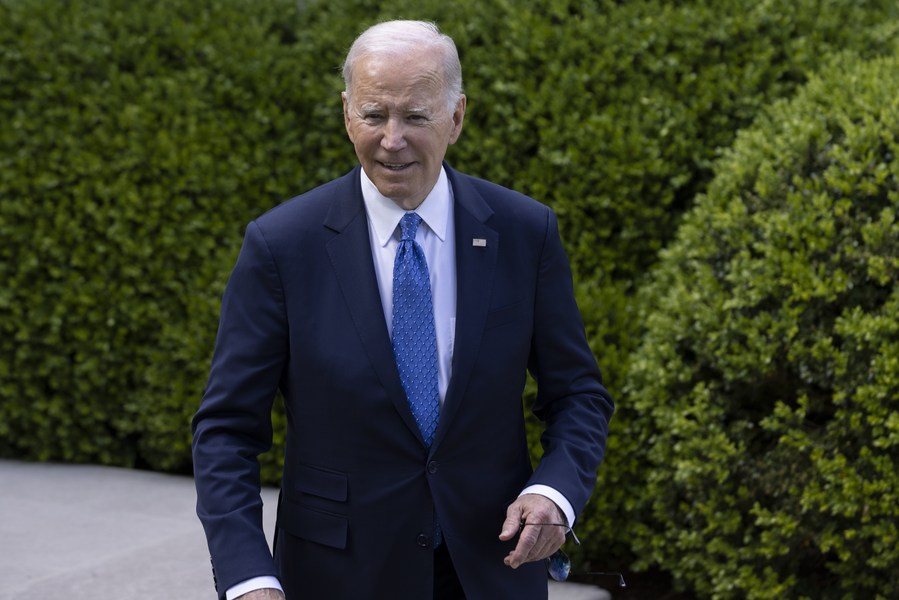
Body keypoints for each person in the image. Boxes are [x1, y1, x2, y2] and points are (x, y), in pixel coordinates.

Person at [192, 19, 614, 600]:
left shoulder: (524, 232)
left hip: (491, 567)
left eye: (415, 117)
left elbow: (577, 396)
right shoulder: (281, 245)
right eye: (373, 115)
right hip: (337, 575)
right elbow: (225, 432)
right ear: (346, 115)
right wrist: (248, 577)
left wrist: (556, 493)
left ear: (456, 117)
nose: (392, 139)